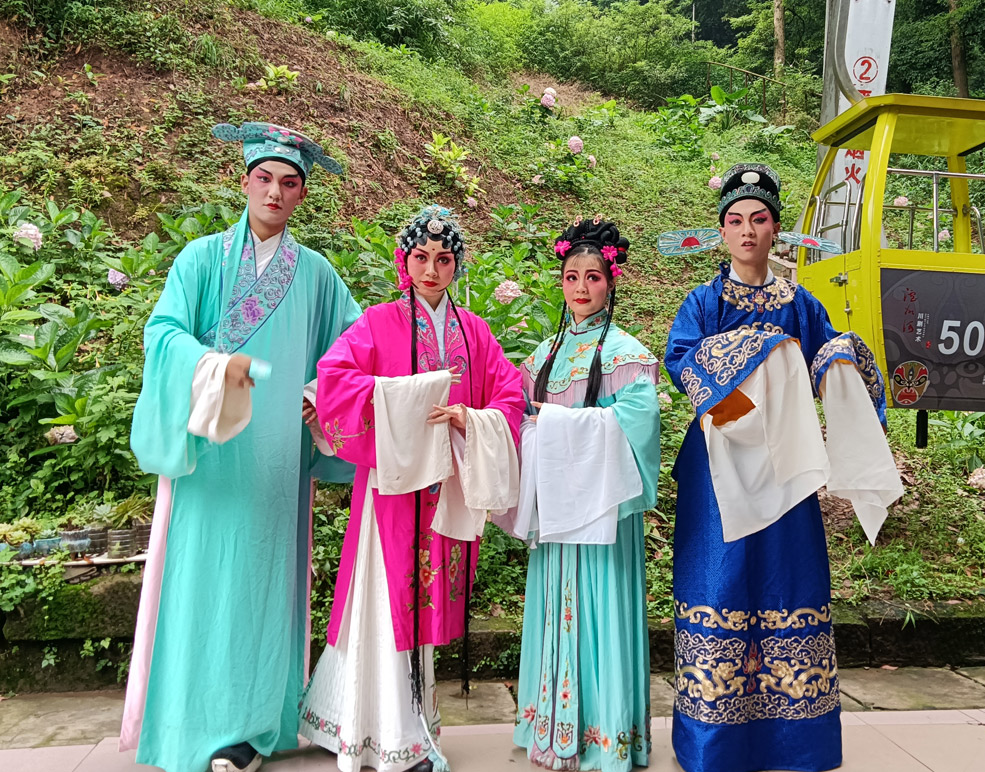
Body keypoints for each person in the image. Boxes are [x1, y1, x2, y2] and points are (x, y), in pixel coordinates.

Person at [120, 122, 363, 772]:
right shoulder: (201, 259)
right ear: (244, 182)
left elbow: (353, 347)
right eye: (264, 178)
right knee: (198, 583)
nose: (275, 192)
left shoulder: (316, 275)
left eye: (289, 182)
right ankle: (188, 721)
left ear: (302, 194)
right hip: (208, 454)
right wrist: (209, 367)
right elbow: (163, 332)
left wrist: (316, 392)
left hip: (275, 461)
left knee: (261, 585)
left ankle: (251, 729)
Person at [664, 163, 902, 772]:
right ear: (721, 231)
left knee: (786, 580)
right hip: (718, 461)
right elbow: (682, 360)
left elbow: (826, 355)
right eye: (735, 220)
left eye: (759, 219)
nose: (747, 231)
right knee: (719, 581)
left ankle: (795, 740)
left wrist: (841, 360)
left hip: (787, 466)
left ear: (776, 230)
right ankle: (716, 742)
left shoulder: (801, 303)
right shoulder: (703, 301)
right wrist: (747, 387)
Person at [299, 205, 524, 772]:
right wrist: (400, 399)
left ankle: (412, 725)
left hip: (445, 488)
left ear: (456, 266)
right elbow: (336, 376)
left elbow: (509, 397)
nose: (431, 269)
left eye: (443, 259)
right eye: (420, 257)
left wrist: (470, 418)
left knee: (421, 608)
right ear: (405, 262)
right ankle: (387, 732)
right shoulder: (378, 321)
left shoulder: (474, 331)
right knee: (384, 599)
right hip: (391, 491)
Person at [500, 216, 661, 771]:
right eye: (572, 277)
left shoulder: (626, 353)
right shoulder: (542, 356)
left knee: (601, 608)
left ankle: (605, 736)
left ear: (610, 282)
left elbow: (638, 424)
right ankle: (550, 724)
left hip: (602, 510)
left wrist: (556, 422)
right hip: (555, 511)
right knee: (554, 608)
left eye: (593, 277)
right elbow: (520, 418)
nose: (581, 287)